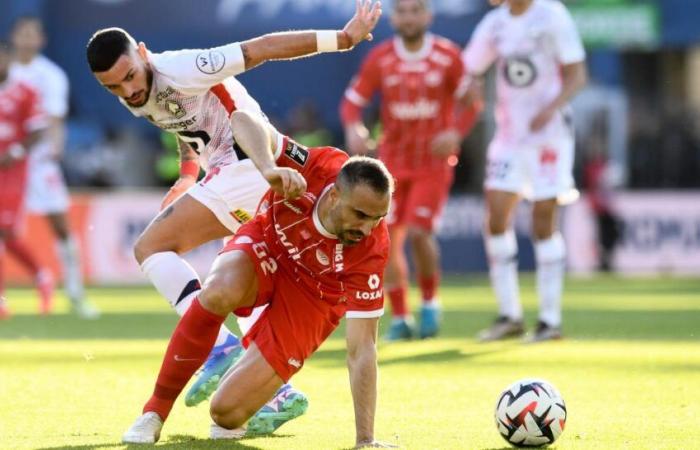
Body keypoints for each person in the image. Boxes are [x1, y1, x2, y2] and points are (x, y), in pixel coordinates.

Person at [86, 0, 382, 435]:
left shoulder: (185, 66)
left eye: (129, 76)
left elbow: (260, 47)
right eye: (113, 87)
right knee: (236, 275)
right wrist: (188, 177)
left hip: (250, 161)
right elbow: (182, 126)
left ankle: (220, 349)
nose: (128, 90)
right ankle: (271, 390)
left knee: (150, 247)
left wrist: (342, 39)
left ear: (143, 53)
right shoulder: (134, 90)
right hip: (229, 171)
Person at [123, 108, 394, 447]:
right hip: (269, 243)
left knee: (225, 414)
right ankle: (154, 412)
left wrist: (365, 440)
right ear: (335, 195)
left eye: (377, 218)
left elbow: (362, 348)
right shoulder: (317, 166)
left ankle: (251, 386)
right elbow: (242, 120)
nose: (367, 227)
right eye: (360, 215)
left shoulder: (371, 248)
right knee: (221, 289)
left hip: (313, 299)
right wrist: (269, 167)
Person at [340, 0, 480, 340]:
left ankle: (430, 303)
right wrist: (354, 128)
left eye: (416, 10)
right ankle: (401, 316)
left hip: (432, 163)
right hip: (392, 163)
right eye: (402, 11)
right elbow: (352, 102)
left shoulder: (448, 55)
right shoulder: (381, 57)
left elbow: (473, 101)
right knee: (386, 238)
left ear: (428, 15)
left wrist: (455, 132)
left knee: (419, 233)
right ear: (394, 17)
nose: (409, 17)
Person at [459, 0, 587, 342]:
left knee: (544, 222)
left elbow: (577, 74)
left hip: (549, 136)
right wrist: (468, 83)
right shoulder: (495, 23)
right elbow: (468, 66)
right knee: (496, 217)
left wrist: (551, 108)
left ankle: (549, 320)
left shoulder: (551, 14)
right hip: (510, 136)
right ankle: (510, 315)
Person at [10, 16, 100, 319]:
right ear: (14, 37)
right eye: (22, 33)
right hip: (5, 163)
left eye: (32, 34)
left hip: (37, 163)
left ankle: (76, 293)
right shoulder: (5, 71)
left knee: (60, 226)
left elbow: (54, 120)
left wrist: (55, 149)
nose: (27, 39)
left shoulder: (50, 76)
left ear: (41, 40)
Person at [0, 40, 54, 319]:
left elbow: (38, 130)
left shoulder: (25, 92)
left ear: (8, 59)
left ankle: (41, 276)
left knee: (6, 231)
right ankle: (39, 278)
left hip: (12, 171)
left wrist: (16, 150)